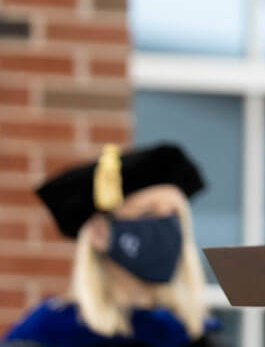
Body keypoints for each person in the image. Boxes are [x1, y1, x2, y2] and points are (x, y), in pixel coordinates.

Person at [2, 144, 219, 347]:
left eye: (174, 215)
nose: (166, 227)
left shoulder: (193, 335)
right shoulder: (47, 332)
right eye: (147, 213)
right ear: (99, 232)